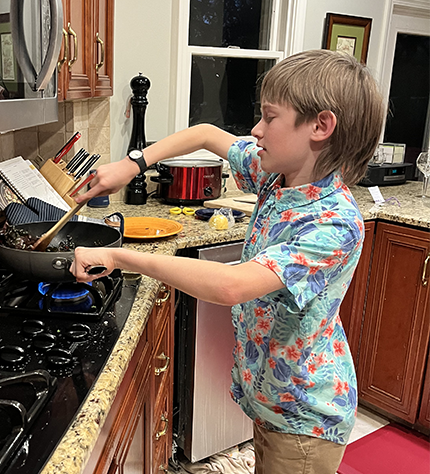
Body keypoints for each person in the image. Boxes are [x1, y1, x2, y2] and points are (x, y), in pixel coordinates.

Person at [71, 50, 385, 474]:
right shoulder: (278, 175)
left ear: (320, 126)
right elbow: (204, 133)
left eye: (270, 118)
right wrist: (132, 165)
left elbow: (231, 286)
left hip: (305, 414)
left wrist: (121, 256)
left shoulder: (335, 224)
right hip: (272, 397)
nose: (256, 130)